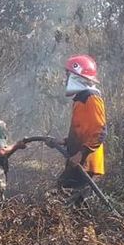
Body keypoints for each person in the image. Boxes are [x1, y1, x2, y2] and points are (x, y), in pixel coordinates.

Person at [47, 55, 107, 191]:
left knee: (66, 196)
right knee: (68, 197)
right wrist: (65, 141)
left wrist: (80, 154)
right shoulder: (81, 99)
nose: (65, 79)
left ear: (76, 77)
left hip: (86, 163)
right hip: (79, 161)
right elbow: (84, 131)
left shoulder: (91, 98)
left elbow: (100, 132)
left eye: (68, 75)